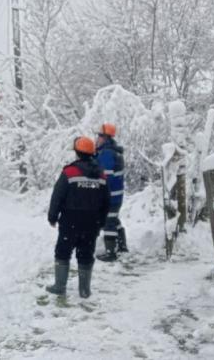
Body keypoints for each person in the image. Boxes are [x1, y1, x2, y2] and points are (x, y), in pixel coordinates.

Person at [46, 136, 111, 299]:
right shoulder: (101, 175)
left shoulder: (69, 172)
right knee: (86, 254)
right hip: (92, 222)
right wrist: (101, 221)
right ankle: (84, 290)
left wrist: (52, 217)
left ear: (77, 152)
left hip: (70, 221)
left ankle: (60, 286)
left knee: (63, 252)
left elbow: (58, 196)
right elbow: (106, 201)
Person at [95, 123, 127, 262]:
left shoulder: (107, 153)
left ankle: (111, 253)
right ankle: (122, 246)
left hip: (110, 196)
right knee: (113, 219)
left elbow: (104, 176)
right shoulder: (112, 151)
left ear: (106, 138)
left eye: (99, 136)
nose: (97, 139)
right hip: (115, 195)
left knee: (108, 222)